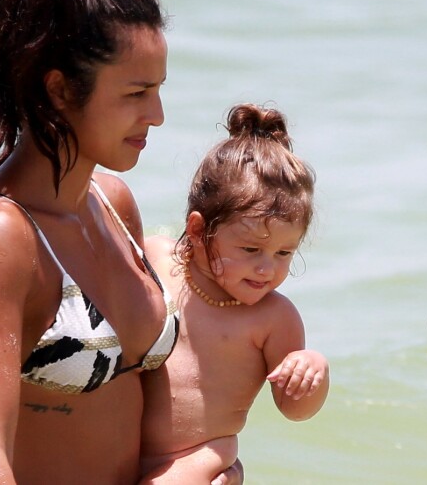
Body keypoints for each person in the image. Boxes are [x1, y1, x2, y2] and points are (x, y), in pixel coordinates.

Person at [0, 0, 242, 485]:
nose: (156, 115)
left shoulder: (112, 205)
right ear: (59, 89)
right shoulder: (1, 237)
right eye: (135, 94)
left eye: (158, 89)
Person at [139, 104, 330, 483]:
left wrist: (313, 372)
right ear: (197, 230)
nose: (267, 269)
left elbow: (295, 409)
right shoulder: (156, 259)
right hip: (122, 444)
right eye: (250, 250)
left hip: (198, 457)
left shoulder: (273, 319)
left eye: (283, 253)